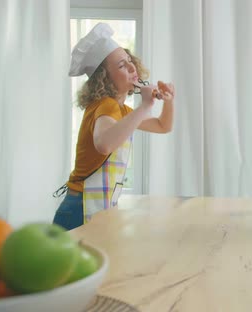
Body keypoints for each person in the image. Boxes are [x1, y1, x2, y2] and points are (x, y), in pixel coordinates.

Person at [53, 23, 175, 230]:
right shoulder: (106, 106)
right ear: (105, 78)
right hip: (80, 207)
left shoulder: (121, 111)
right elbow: (104, 144)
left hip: (92, 203)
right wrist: (145, 106)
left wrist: (169, 100)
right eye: (121, 65)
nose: (131, 67)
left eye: (129, 61)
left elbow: (163, 126)